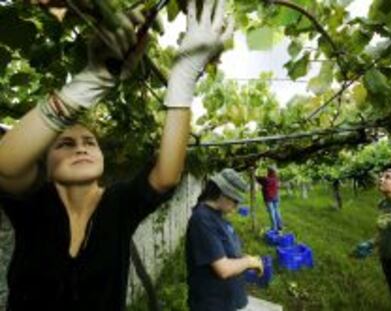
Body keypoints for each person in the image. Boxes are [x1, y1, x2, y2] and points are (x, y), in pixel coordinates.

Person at [0, 0, 233, 310]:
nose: (81, 146)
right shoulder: (33, 201)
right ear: (45, 165)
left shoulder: (118, 205)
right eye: (65, 144)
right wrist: (90, 82)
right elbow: (6, 165)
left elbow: (165, 177)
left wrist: (183, 78)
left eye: (89, 142)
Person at [186, 168, 264, 311]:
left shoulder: (216, 216)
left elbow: (223, 252)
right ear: (223, 195)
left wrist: (242, 259)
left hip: (227, 301)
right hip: (213, 304)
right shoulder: (202, 220)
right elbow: (223, 269)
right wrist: (249, 262)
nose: (237, 206)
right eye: (235, 201)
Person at [354, 169, 391, 310]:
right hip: (386, 259)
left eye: (388, 177)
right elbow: (385, 231)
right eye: (381, 176)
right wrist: (370, 243)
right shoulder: (383, 204)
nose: (381, 179)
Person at [255, 165, 282, 232]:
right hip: (276, 197)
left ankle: (274, 227)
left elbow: (257, 178)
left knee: (272, 212)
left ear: (269, 172)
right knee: (277, 211)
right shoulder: (276, 178)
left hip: (269, 198)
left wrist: (253, 174)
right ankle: (280, 226)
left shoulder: (266, 180)